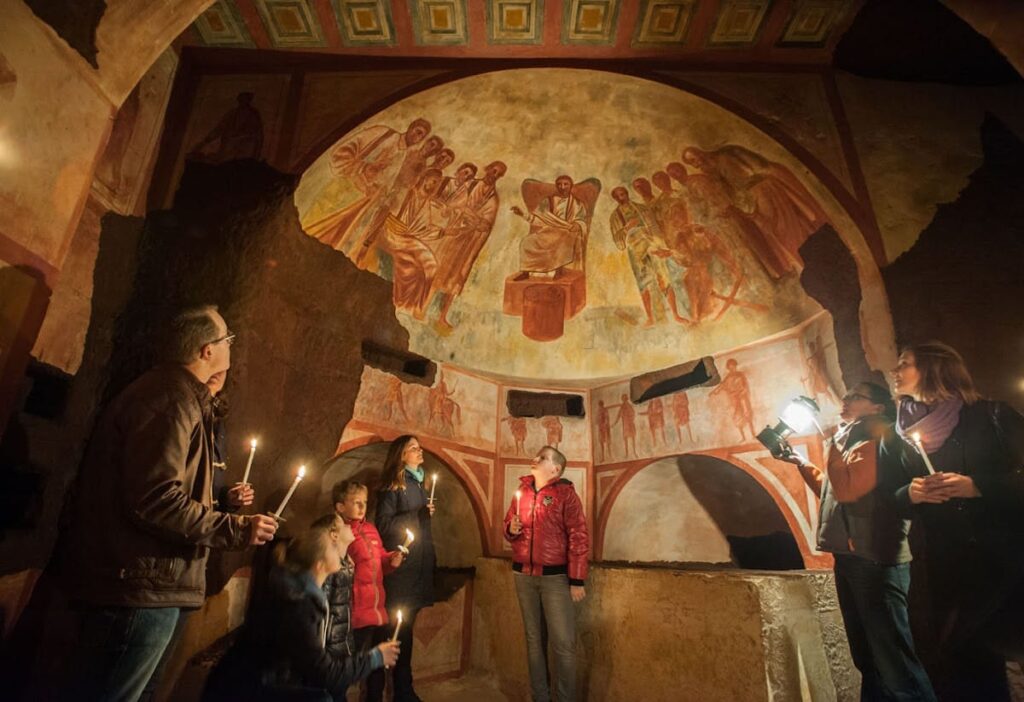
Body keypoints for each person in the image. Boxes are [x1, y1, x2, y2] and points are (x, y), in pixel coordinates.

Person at [61, 305, 279, 702]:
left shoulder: (183, 399)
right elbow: (155, 498)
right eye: (227, 339)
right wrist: (237, 528)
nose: (232, 345)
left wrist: (224, 507)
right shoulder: (170, 398)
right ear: (206, 351)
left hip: (155, 585)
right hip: (141, 588)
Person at [779, 382, 936, 702]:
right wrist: (799, 461)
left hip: (874, 558)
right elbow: (833, 491)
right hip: (850, 556)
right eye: (847, 395)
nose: (845, 400)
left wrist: (830, 444)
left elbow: (850, 490)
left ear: (878, 407)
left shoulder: (879, 436)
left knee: (894, 663)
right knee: (866, 658)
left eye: (856, 397)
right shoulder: (850, 438)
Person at [891, 342, 1024, 701]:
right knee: (968, 664)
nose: (895, 371)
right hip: (951, 569)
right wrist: (912, 493)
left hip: (1007, 561)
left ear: (934, 369)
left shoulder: (990, 415)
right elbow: (891, 495)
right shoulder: (903, 436)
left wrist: (977, 486)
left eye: (904, 363)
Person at [203, 526, 400, 701]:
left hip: (252, 686)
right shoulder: (297, 603)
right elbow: (324, 672)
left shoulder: (297, 592)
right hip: (240, 691)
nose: (338, 548)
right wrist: (375, 657)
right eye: (332, 546)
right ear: (319, 564)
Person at [504, 445, 589, 702]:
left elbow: (578, 537)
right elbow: (508, 528)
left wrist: (576, 579)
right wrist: (511, 528)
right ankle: (540, 697)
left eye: (542, 457)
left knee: (563, 644)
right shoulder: (522, 492)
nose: (535, 459)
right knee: (534, 641)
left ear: (556, 468)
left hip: (555, 578)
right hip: (523, 575)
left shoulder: (566, 495)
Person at [375, 435, 437, 702]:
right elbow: (384, 526)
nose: (419, 450)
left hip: (417, 568)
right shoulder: (393, 487)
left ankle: (403, 690)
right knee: (393, 631)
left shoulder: (418, 484)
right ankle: (382, 693)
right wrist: (418, 515)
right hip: (401, 571)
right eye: (413, 448)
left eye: (419, 447)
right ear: (401, 456)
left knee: (407, 632)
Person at [334, 480, 405, 702]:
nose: (362, 507)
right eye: (356, 502)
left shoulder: (370, 529)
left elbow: (380, 559)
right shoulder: (338, 532)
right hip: (356, 612)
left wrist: (391, 560)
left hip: (377, 610)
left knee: (377, 667)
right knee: (349, 666)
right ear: (340, 506)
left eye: (364, 502)